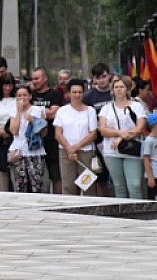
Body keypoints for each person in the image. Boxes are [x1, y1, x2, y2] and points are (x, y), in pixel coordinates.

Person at [98, 76, 147, 199]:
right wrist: (120, 133)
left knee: (135, 185)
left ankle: (137, 209)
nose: (119, 89)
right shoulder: (106, 109)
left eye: (122, 87)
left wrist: (122, 138)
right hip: (111, 150)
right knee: (119, 186)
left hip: (132, 149)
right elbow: (103, 130)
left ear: (127, 89)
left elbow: (140, 127)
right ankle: (123, 210)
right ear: (112, 90)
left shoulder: (136, 106)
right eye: (116, 87)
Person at [54, 79, 99, 196]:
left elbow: (93, 133)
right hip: (66, 152)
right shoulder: (62, 111)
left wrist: (76, 147)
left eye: (79, 92)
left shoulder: (90, 111)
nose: (77, 95)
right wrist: (69, 149)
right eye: (74, 92)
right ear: (68, 94)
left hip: (86, 151)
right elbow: (58, 133)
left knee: (88, 185)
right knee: (68, 184)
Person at [30, 67, 63, 194]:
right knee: (36, 173)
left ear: (45, 78)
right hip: (34, 138)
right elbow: (27, 112)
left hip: (51, 138)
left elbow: (55, 114)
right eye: (33, 79)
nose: (35, 81)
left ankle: (57, 197)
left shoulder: (55, 94)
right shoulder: (31, 94)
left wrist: (35, 112)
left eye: (37, 78)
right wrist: (45, 112)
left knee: (55, 173)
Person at [82, 63, 113, 197]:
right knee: (101, 177)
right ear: (93, 79)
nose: (101, 80)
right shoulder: (88, 97)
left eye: (104, 76)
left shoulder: (116, 92)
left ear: (109, 75)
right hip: (98, 141)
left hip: (118, 138)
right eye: (98, 77)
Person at [9, 86, 47, 193]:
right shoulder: (14, 111)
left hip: (35, 151)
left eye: (25, 95)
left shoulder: (37, 110)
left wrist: (33, 120)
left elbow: (44, 132)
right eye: (19, 96)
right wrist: (19, 112)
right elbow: (13, 130)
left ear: (30, 96)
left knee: (37, 184)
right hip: (18, 151)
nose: (22, 98)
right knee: (20, 184)